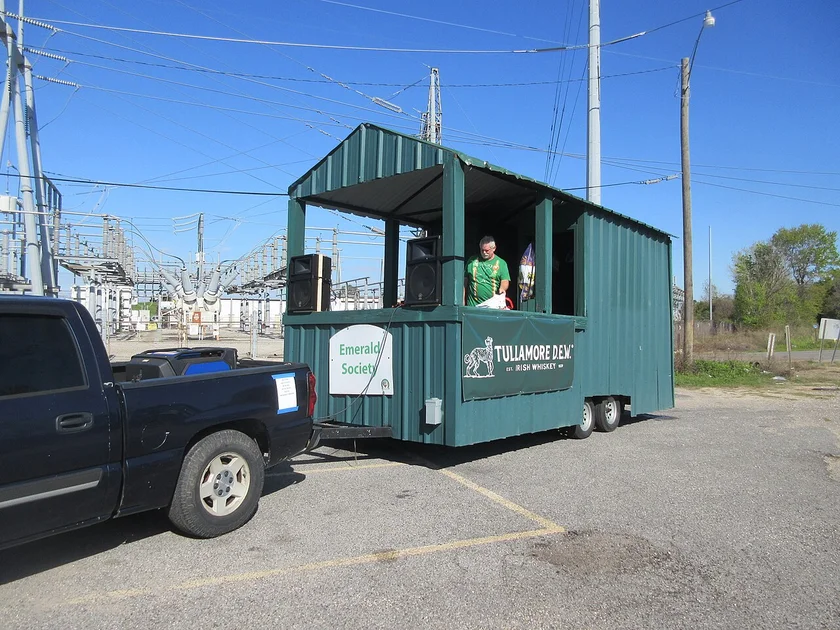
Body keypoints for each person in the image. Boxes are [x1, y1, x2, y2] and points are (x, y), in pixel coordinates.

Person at [464, 236, 510, 307]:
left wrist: (502, 288)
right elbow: (465, 281)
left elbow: (505, 280)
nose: (484, 253)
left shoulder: (501, 263)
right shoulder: (472, 261)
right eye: (482, 250)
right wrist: (462, 301)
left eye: (487, 250)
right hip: (473, 305)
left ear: (494, 248)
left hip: (492, 305)